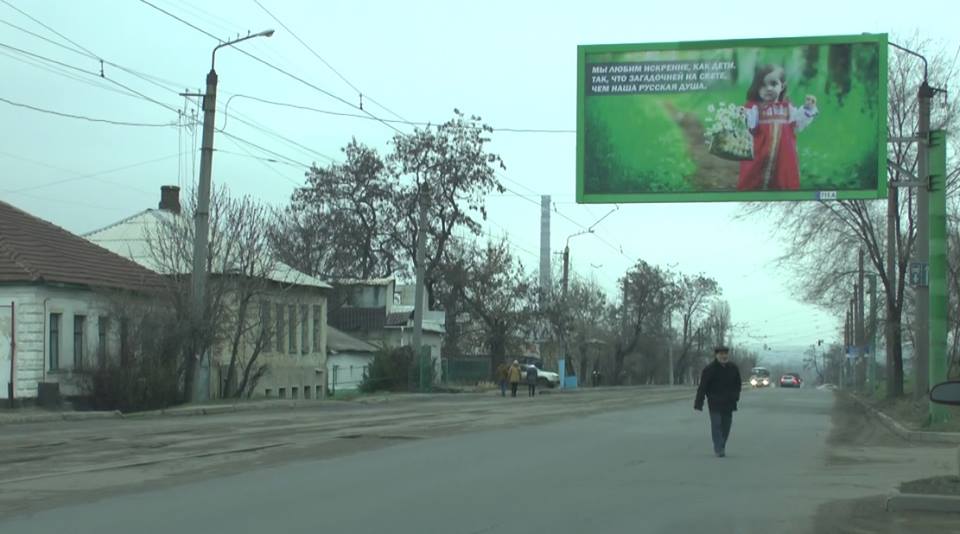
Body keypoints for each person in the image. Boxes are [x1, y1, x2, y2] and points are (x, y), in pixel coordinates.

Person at [737, 64, 818, 191]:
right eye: (763, 85)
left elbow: (798, 121)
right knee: (755, 180)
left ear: (782, 86)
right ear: (757, 87)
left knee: (783, 179)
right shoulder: (754, 108)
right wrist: (743, 117)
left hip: (784, 156)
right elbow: (747, 126)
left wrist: (808, 108)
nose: (768, 88)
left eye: (773, 84)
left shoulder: (787, 108)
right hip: (759, 155)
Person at [694, 346, 742, 457]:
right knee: (716, 425)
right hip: (714, 402)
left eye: (725, 354)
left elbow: (738, 384)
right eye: (721, 354)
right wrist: (699, 402)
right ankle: (718, 448)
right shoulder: (709, 369)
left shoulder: (733, 368)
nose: (724, 356)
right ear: (716, 355)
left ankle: (721, 444)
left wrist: (736, 396)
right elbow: (702, 387)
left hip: (729, 402)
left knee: (726, 425)